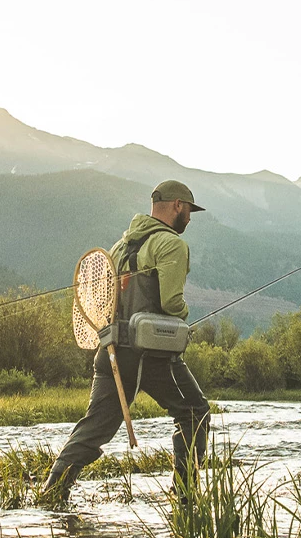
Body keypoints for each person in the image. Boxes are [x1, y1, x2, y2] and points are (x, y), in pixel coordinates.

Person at [42, 180, 211, 503]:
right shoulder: (171, 245)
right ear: (177, 205)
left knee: (95, 426)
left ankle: (53, 490)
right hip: (152, 353)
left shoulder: (119, 247)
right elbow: (171, 302)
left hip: (113, 352)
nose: (189, 218)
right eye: (189, 210)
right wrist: (185, 318)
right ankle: (185, 494)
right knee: (194, 412)